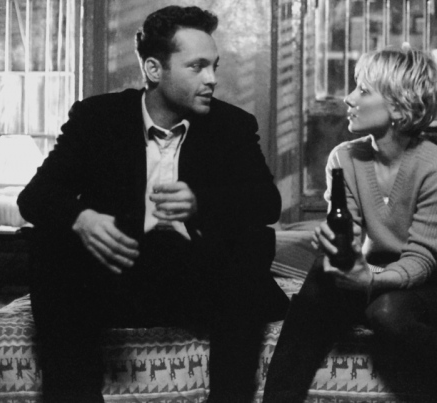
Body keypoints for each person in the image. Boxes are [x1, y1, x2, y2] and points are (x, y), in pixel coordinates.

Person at [17, 5, 289, 403]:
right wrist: (81, 218)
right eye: (197, 67)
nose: (212, 79)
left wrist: (201, 203)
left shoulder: (231, 125)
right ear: (154, 69)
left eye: (214, 66)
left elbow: (267, 203)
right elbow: (35, 197)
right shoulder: (98, 119)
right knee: (48, 242)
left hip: (198, 281)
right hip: (119, 274)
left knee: (254, 239)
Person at [262, 45, 437, 403]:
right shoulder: (344, 158)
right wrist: (338, 247)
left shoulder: (436, 166)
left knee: (385, 313)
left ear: (399, 108)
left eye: (363, 90)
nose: (348, 98)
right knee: (321, 275)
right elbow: (349, 231)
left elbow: (421, 260)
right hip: (371, 277)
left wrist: (370, 280)